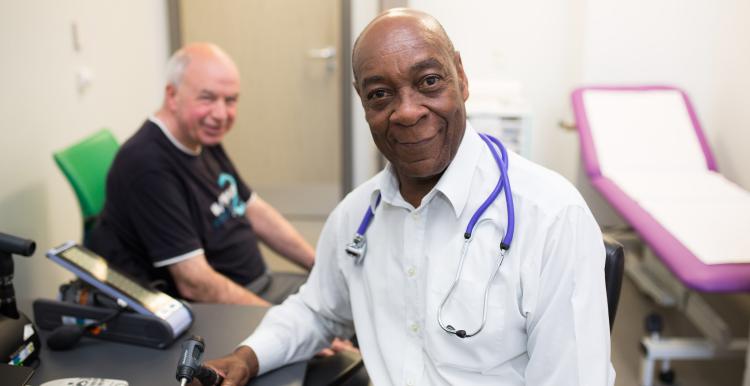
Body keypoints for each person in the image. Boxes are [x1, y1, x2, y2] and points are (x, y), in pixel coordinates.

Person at [201, 8, 614, 385]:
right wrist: (248, 357)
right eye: (380, 93)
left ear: (461, 77)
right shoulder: (356, 216)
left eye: (429, 82)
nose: (407, 111)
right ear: (362, 101)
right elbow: (316, 310)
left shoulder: (552, 217)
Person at [86, 43, 315, 306]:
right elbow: (196, 283)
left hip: (260, 286)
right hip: (227, 311)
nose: (220, 114)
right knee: (351, 324)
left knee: (353, 299)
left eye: (230, 100)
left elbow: (253, 209)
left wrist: (317, 264)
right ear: (172, 96)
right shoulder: (147, 165)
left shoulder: (201, 135)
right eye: (207, 98)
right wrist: (289, 327)